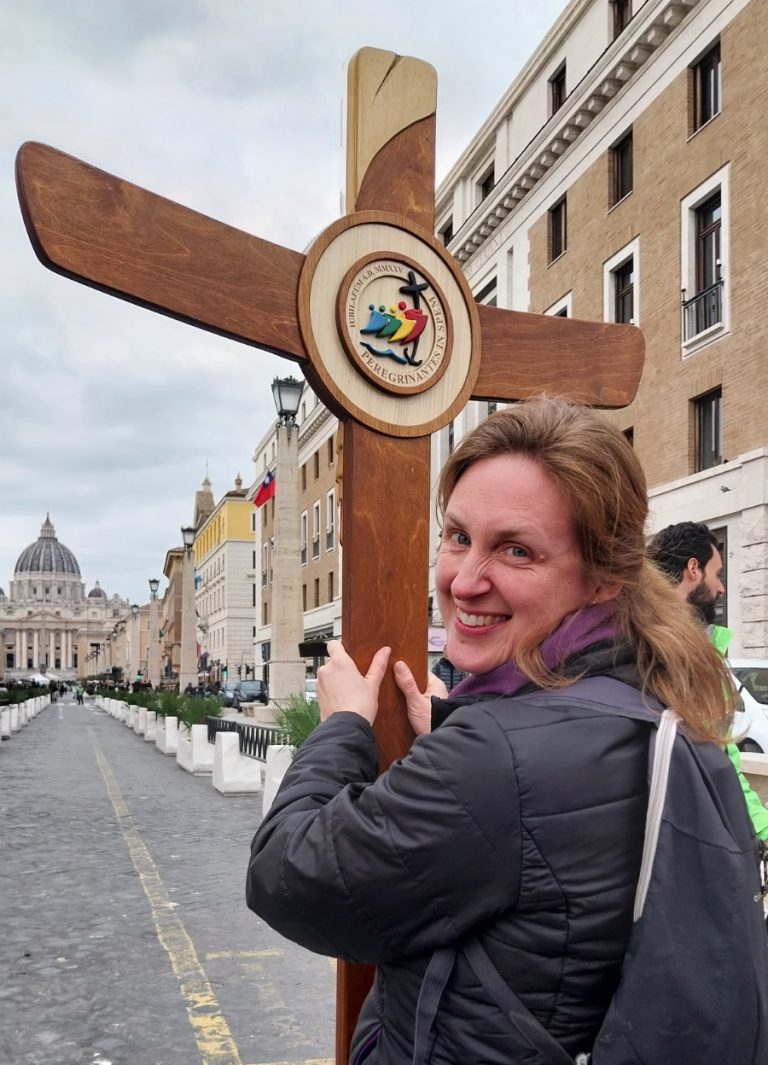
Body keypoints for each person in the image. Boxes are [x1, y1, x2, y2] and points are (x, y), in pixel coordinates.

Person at [246, 397, 744, 1063]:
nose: (465, 581)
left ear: (602, 578)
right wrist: (454, 726)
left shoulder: (496, 758)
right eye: (458, 537)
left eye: (516, 550)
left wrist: (341, 727)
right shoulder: (651, 690)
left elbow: (287, 876)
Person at [649, 520, 768, 842]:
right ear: (693, 569)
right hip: (679, 840)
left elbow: (721, 758)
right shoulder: (658, 651)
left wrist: (760, 827)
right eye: (717, 574)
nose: (721, 588)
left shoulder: (694, 649)